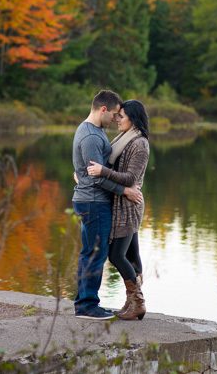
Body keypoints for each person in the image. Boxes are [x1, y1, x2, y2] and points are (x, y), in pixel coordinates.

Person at [72, 90, 143, 320]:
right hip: (94, 202)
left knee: (91, 252)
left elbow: (89, 171)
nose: (115, 119)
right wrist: (125, 191)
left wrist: (82, 176)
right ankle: (87, 306)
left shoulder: (95, 131)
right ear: (103, 109)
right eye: (113, 114)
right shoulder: (91, 136)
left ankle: (86, 302)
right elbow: (97, 177)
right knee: (95, 254)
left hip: (93, 199)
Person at [87, 99, 150, 321]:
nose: (117, 120)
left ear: (133, 119)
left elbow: (131, 178)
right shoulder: (125, 139)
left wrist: (103, 171)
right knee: (132, 255)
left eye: (121, 116)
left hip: (129, 206)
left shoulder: (139, 144)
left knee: (116, 255)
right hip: (122, 203)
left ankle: (138, 301)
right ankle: (132, 302)